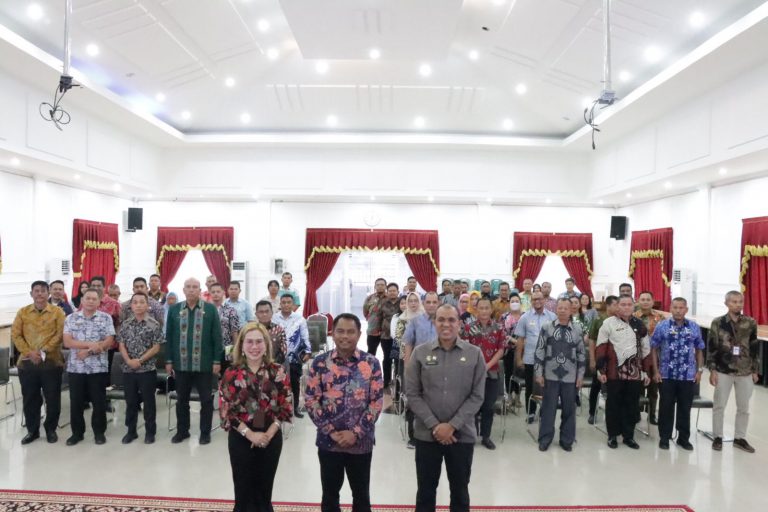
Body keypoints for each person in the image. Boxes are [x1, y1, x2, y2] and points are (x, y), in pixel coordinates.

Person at [406, 304, 486, 512]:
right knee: (425, 491)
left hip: (462, 436)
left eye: (451, 320)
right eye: (441, 319)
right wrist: (435, 425)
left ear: (459, 324)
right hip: (426, 435)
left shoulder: (474, 354)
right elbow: (413, 394)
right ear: (435, 323)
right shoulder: (420, 353)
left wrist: (452, 426)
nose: (446, 324)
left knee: (460, 491)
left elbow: (477, 396)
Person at [305, 313, 384, 512]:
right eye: (340, 331)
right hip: (329, 442)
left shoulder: (371, 363)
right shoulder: (320, 363)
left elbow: (376, 402)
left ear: (359, 334)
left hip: (361, 443)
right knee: (330, 495)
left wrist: (356, 432)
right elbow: (311, 400)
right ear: (333, 334)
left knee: (361, 495)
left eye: (351, 332)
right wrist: (331, 431)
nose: (345, 336)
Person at [220, 322, 293, 512]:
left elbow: (285, 405)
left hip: (271, 435)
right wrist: (250, 434)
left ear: (266, 344)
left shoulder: (277, 371)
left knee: (264, 491)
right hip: (241, 435)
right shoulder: (230, 373)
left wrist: (268, 433)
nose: (254, 347)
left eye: (259, 342)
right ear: (241, 345)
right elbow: (227, 410)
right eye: (249, 342)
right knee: (243, 491)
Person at [165, 277, 223, 445]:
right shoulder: (175, 309)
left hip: (204, 365)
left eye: (195, 287)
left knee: (206, 400)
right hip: (181, 364)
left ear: (200, 290)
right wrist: (168, 360)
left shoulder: (210, 310)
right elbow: (169, 337)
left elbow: (217, 338)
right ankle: (182, 431)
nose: (191, 290)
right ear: (183, 290)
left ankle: (205, 433)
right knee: (181, 400)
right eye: (188, 287)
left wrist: (216, 361)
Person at [12, 281, 66, 445]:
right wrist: (30, 352)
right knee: (30, 398)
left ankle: (50, 429)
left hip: (51, 362)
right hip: (28, 363)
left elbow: (59, 335)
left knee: (52, 398)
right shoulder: (23, 312)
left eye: (43, 291)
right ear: (31, 294)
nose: (40, 294)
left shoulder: (58, 312)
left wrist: (42, 352)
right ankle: (32, 430)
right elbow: (16, 335)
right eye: (37, 291)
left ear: (48, 293)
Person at [596, 295, 653, 449]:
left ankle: (629, 436)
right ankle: (612, 436)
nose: (626, 307)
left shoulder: (639, 325)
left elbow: (646, 350)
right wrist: (600, 370)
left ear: (634, 306)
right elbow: (601, 348)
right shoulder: (608, 324)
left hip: (635, 374)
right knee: (614, 404)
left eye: (629, 304)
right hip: (614, 373)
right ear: (617, 306)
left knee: (631, 404)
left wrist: (646, 372)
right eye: (623, 304)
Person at [707, 290, 759, 453]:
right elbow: (712, 347)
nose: (738, 305)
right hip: (723, 370)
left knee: (744, 407)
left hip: (745, 370)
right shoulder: (718, 322)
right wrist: (712, 369)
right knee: (719, 405)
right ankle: (717, 437)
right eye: (734, 302)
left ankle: (740, 438)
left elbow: (754, 346)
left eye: (740, 302)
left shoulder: (750, 322)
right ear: (726, 303)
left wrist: (755, 370)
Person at [651, 297, 705, 451]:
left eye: (681, 307)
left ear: (686, 309)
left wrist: (699, 371)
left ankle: (683, 438)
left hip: (687, 375)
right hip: (666, 374)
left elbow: (699, 348)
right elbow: (653, 348)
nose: (678, 310)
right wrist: (655, 371)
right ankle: (664, 438)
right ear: (670, 308)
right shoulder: (662, 326)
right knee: (665, 407)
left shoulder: (694, 327)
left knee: (684, 408)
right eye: (675, 307)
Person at [63, 288, 115, 445]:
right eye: (88, 298)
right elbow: (68, 342)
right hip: (76, 368)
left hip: (98, 368)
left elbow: (108, 341)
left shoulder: (106, 318)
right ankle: (77, 434)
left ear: (99, 302)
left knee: (99, 402)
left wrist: (89, 351)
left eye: (94, 299)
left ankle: (99, 433)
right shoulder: (70, 318)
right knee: (76, 402)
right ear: (82, 301)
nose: (91, 301)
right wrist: (91, 345)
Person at [535, 297, 585, 452]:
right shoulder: (546, 327)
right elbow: (539, 350)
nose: (562, 310)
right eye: (560, 307)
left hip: (570, 376)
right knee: (548, 408)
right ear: (556, 309)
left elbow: (581, 354)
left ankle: (567, 439)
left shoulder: (577, 329)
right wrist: (538, 372)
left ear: (571, 310)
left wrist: (580, 376)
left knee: (569, 409)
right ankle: (545, 438)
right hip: (550, 375)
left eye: (566, 308)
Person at [117, 292, 164, 444]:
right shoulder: (125, 324)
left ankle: (150, 432)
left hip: (147, 369)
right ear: (131, 306)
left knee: (149, 402)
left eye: (141, 302)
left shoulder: (154, 324)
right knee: (130, 402)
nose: (138, 305)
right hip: (128, 369)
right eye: (135, 302)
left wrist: (140, 360)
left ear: (147, 304)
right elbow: (121, 345)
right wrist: (129, 361)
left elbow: (156, 347)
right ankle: (131, 431)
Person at [460, 298, 505, 450]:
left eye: (487, 308)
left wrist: (487, 365)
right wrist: (478, 366)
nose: (484, 311)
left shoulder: (498, 327)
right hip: (472, 373)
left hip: (491, 373)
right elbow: (464, 349)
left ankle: (486, 436)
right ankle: (471, 434)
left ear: (491, 310)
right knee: (472, 406)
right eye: (481, 308)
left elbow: (501, 349)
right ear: (476, 310)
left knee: (488, 407)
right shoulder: (468, 328)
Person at [402, 292, 439, 449]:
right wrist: (407, 366)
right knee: (414, 401)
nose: (431, 305)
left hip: (438, 369)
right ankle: (413, 437)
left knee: (435, 402)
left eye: (434, 302)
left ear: (438, 303)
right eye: (428, 302)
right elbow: (408, 344)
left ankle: (435, 433)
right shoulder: (415, 322)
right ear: (423, 303)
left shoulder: (443, 321)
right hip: (418, 367)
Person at [514, 291, 556, 423]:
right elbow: (520, 339)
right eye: (534, 299)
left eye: (539, 299)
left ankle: (544, 412)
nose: (537, 301)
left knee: (547, 387)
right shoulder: (525, 317)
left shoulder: (552, 317)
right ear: (531, 301)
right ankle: (531, 413)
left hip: (548, 360)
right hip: (530, 359)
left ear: (544, 300)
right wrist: (519, 358)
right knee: (530, 388)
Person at [272, 294, 311, 418]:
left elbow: (305, 336)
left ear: (293, 304)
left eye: (289, 302)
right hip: (277, 357)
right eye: (283, 302)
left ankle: (295, 409)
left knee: (294, 383)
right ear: (280, 304)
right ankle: (279, 408)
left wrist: (308, 351)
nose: (286, 305)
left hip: (295, 356)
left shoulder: (300, 319)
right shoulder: (274, 318)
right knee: (278, 383)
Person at [586, 295, 618, 424]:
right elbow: (592, 340)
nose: (618, 307)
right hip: (600, 359)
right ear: (609, 305)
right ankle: (592, 413)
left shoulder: (620, 320)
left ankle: (612, 414)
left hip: (615, 361)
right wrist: (592, 360)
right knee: (596, 386)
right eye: (616, 305)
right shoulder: (599, 320)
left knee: (613, 389)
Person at [634, 291, 664, 425]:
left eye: (648, 299)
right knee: (637, 387)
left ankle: (652, 414)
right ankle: (637, 412)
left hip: (655, 358)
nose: (645, 302)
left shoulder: (661, 318)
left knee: (653, 388)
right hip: (637, 358)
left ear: (652, 302)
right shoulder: (632, 317)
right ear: (638, 301)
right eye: (643, 299)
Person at [374, 283, 400, 390]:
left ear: (398, 292)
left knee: (398, 359)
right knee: (387, 359)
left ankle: (397, 380)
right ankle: (387, 381)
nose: (392, 292)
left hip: (399, 336)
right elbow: (379, 318)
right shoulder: (383, 303)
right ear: (387, 292)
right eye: (390, 291)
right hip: (385, 335)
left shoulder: (402, 302)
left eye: (394, 290)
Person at [210, 282, 242, 364]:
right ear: (210, 293)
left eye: (218, 291)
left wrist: (235, 350)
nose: (215, 294)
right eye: (213, 292)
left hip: (227, 347)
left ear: (223, 293)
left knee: (226, 371)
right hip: (210, 348)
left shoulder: (231, 310)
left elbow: (234, 332)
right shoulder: (206, 310)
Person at [499, 293, 523, 398]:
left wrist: (519, 342)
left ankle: (517, 397)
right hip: (508, 350)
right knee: (508, 372)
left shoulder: (525, 316)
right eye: (512, 301)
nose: (514, 303)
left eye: (517, 301)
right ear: (509, 303)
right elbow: (501, 332)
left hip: (523, 350)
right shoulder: (504, 317)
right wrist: (512, 340)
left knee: (519, 372)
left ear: (520, 303)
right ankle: (509, 396)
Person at [363, 278, 387, 371]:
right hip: (372, 331)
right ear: (375, 286)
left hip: (386, 333)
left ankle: (386, 381)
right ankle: (369, 377)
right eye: (378, 284)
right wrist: (372, 320)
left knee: (387, 356)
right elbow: (365, 312)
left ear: (385, 286)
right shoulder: (369, 298)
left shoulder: (389, 298)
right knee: (370, 354)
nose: (380, 286)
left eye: (382, 284)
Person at [255, 300, 288, 365]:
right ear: (256, 314)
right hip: (255, 365)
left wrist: (273, 365)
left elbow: (284, 350)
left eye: (267, 311)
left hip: (275, 365)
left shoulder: (279, 329)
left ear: (272, 313)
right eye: (261, 312)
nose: (264, 314)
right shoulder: (252, 330)